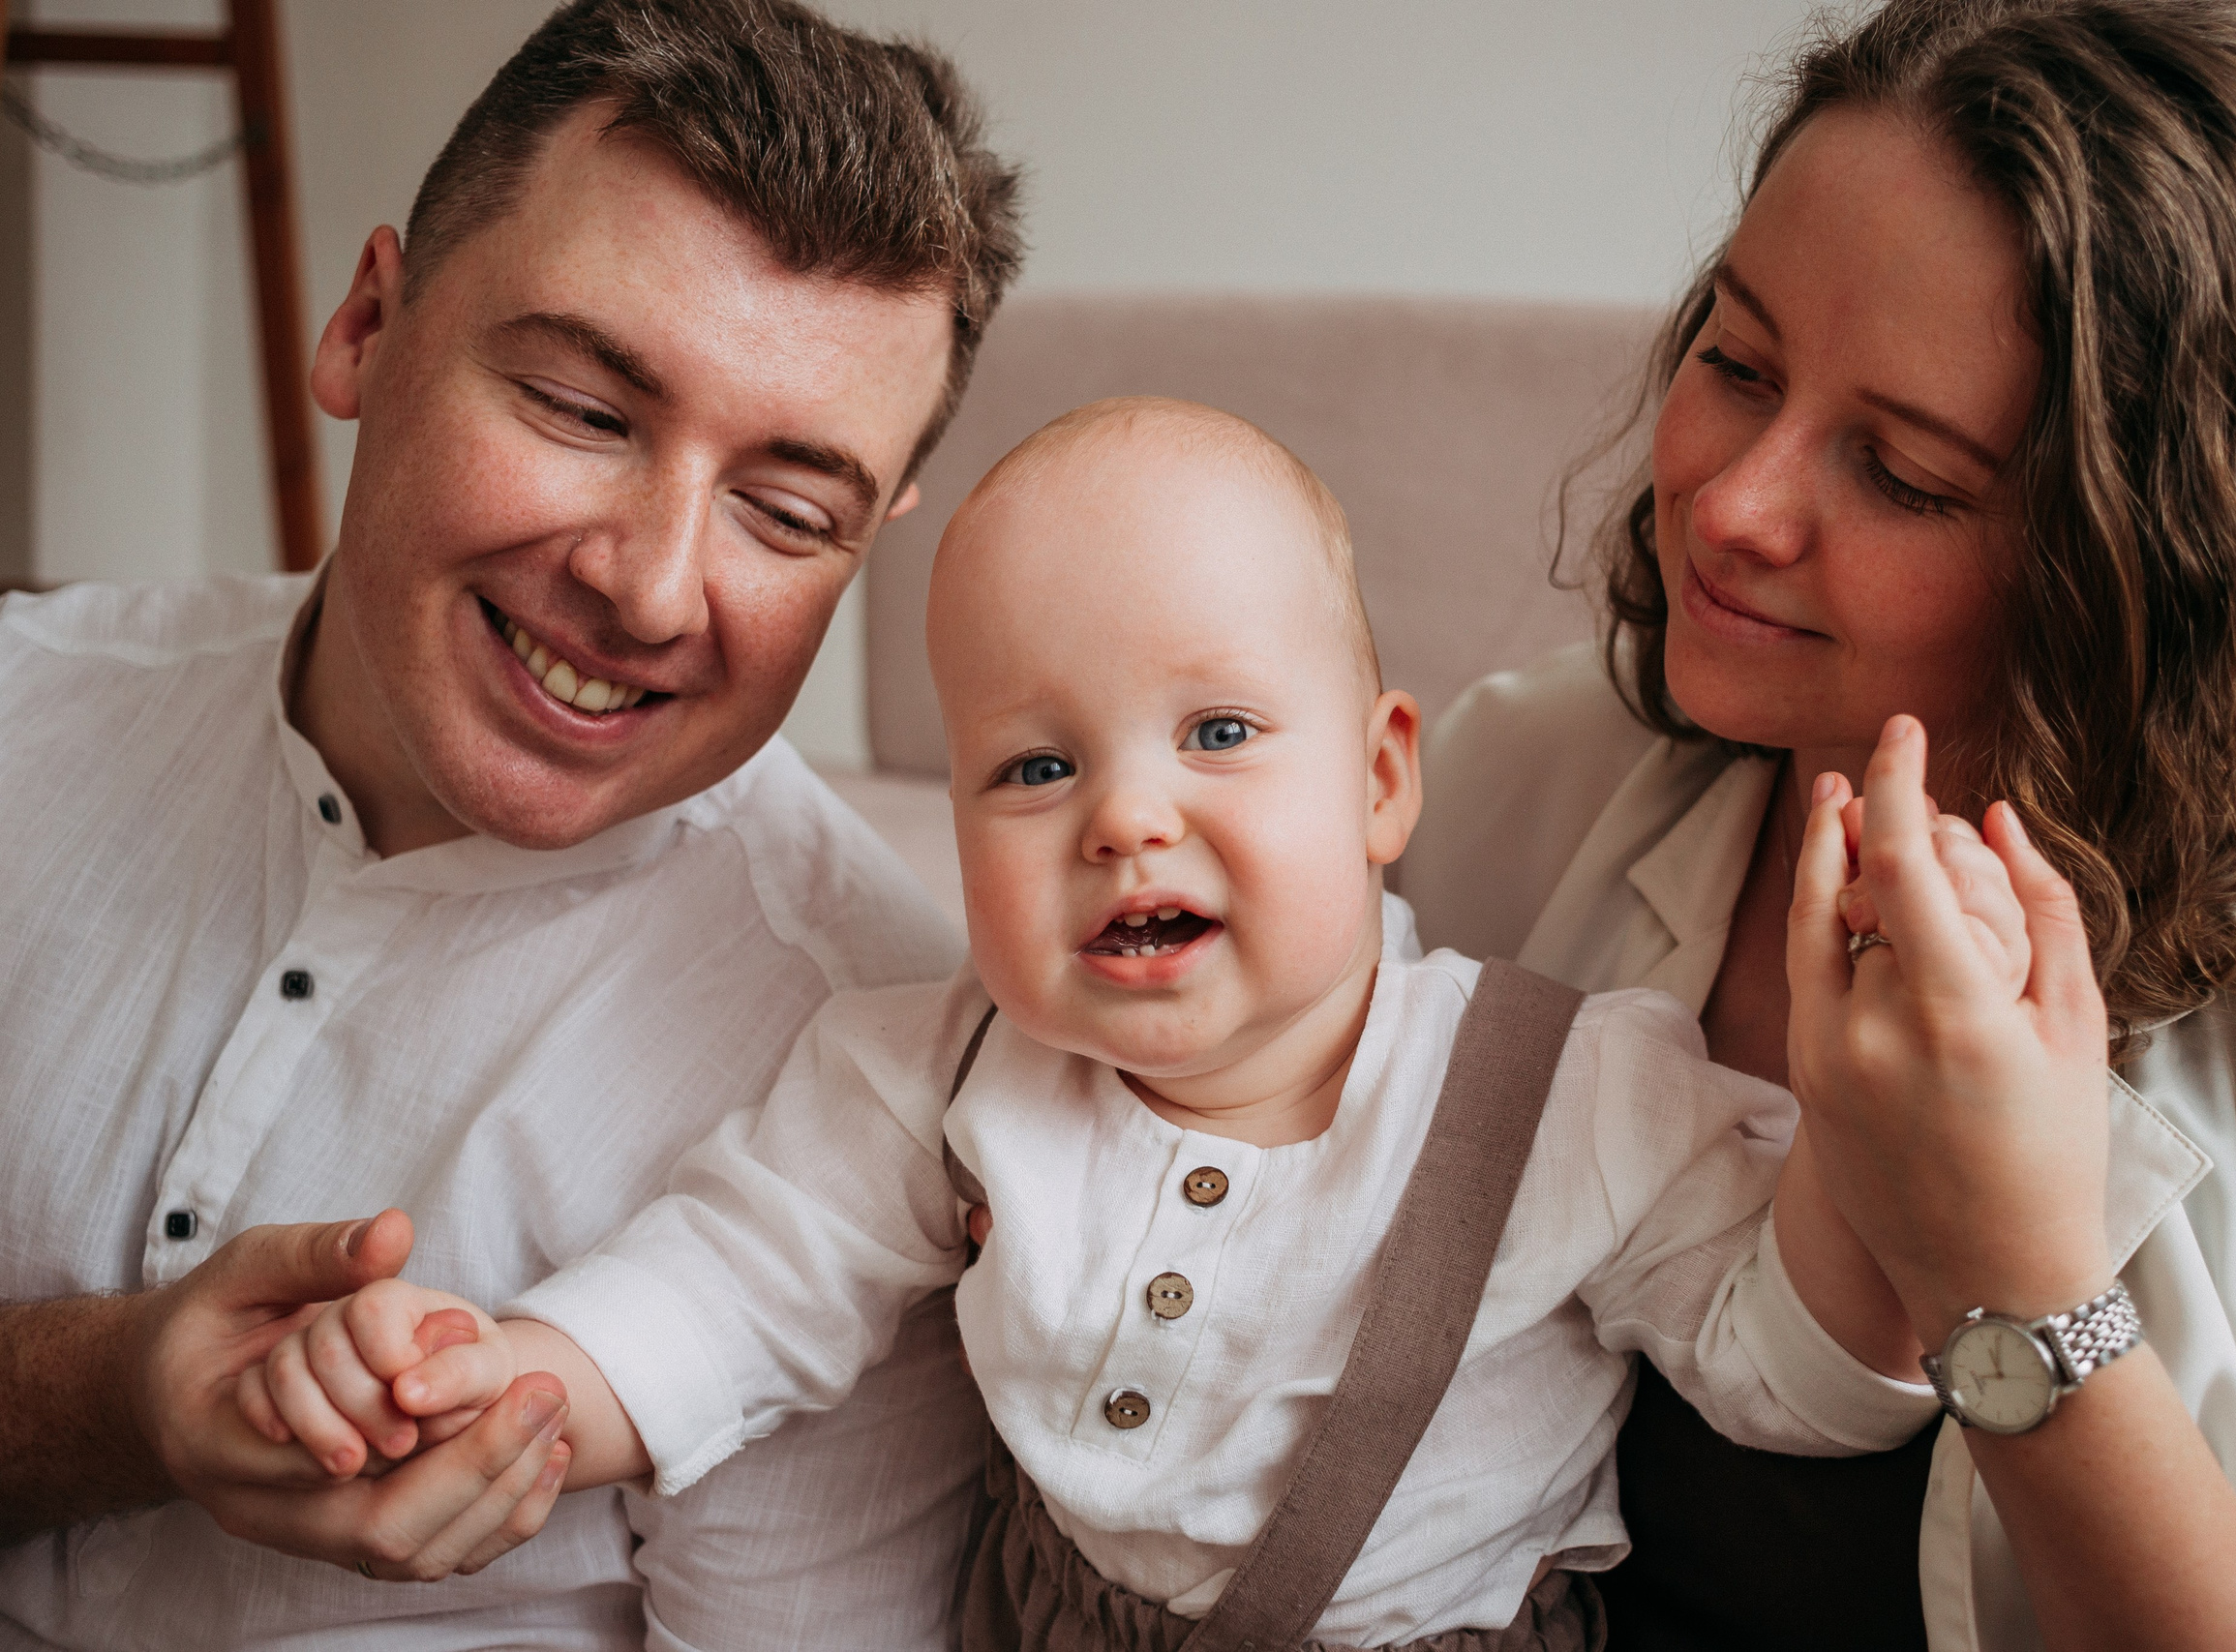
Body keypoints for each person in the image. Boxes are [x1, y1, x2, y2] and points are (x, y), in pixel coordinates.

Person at [214, 399, 2029, 1647]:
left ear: (1382, 780)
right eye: (1034, 767)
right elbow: (737, 1281)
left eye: (1219, 734)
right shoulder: (939, 1069)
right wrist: (509, 1381)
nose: (1126, 818)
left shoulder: (1578, 1090)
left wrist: (1867, 1142)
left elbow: (1787, 1378)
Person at [1397, 1, 2236, 1649]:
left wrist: (2012, 1280)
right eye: (1736, 364)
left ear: (2146, 576)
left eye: (1903, 475)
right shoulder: (1507, 782)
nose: (1733, 506)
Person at [0, 0, 1023, 1646]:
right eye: (582, 410)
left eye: (784, 511)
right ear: (366, 325)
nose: (652, 588)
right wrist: (114, 1396)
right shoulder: (22, 709)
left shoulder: (897, 1105)